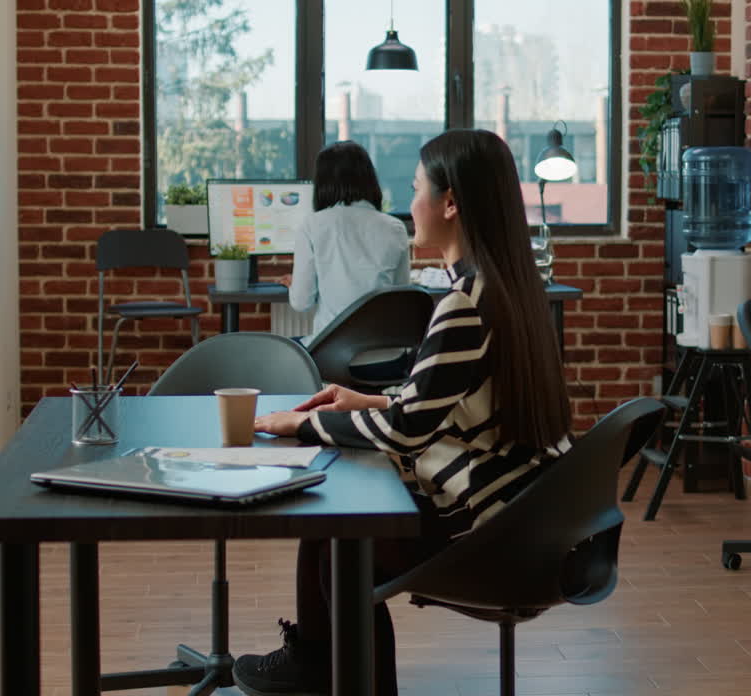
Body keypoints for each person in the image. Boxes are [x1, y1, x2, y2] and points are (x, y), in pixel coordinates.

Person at [237, 129, 573, 696]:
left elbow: (404, 431)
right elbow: (441, 406)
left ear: (450, 203)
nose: (407, 203)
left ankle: (327, 669)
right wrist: (367, 400)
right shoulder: (509, 288)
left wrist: (302, 422)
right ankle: (317, 663)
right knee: (333, 522)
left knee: (344, 535)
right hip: (528, 511)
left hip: (493, 530)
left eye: (415, 188)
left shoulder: (465, 306)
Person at [287, 141, 410, 347]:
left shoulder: (312, 225)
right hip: (387, 358)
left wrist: (295, 283)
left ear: (323, 183)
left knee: (289, 351)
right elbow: (401, 296)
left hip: (333, 358)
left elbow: (301, 303)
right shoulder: (395, 227)